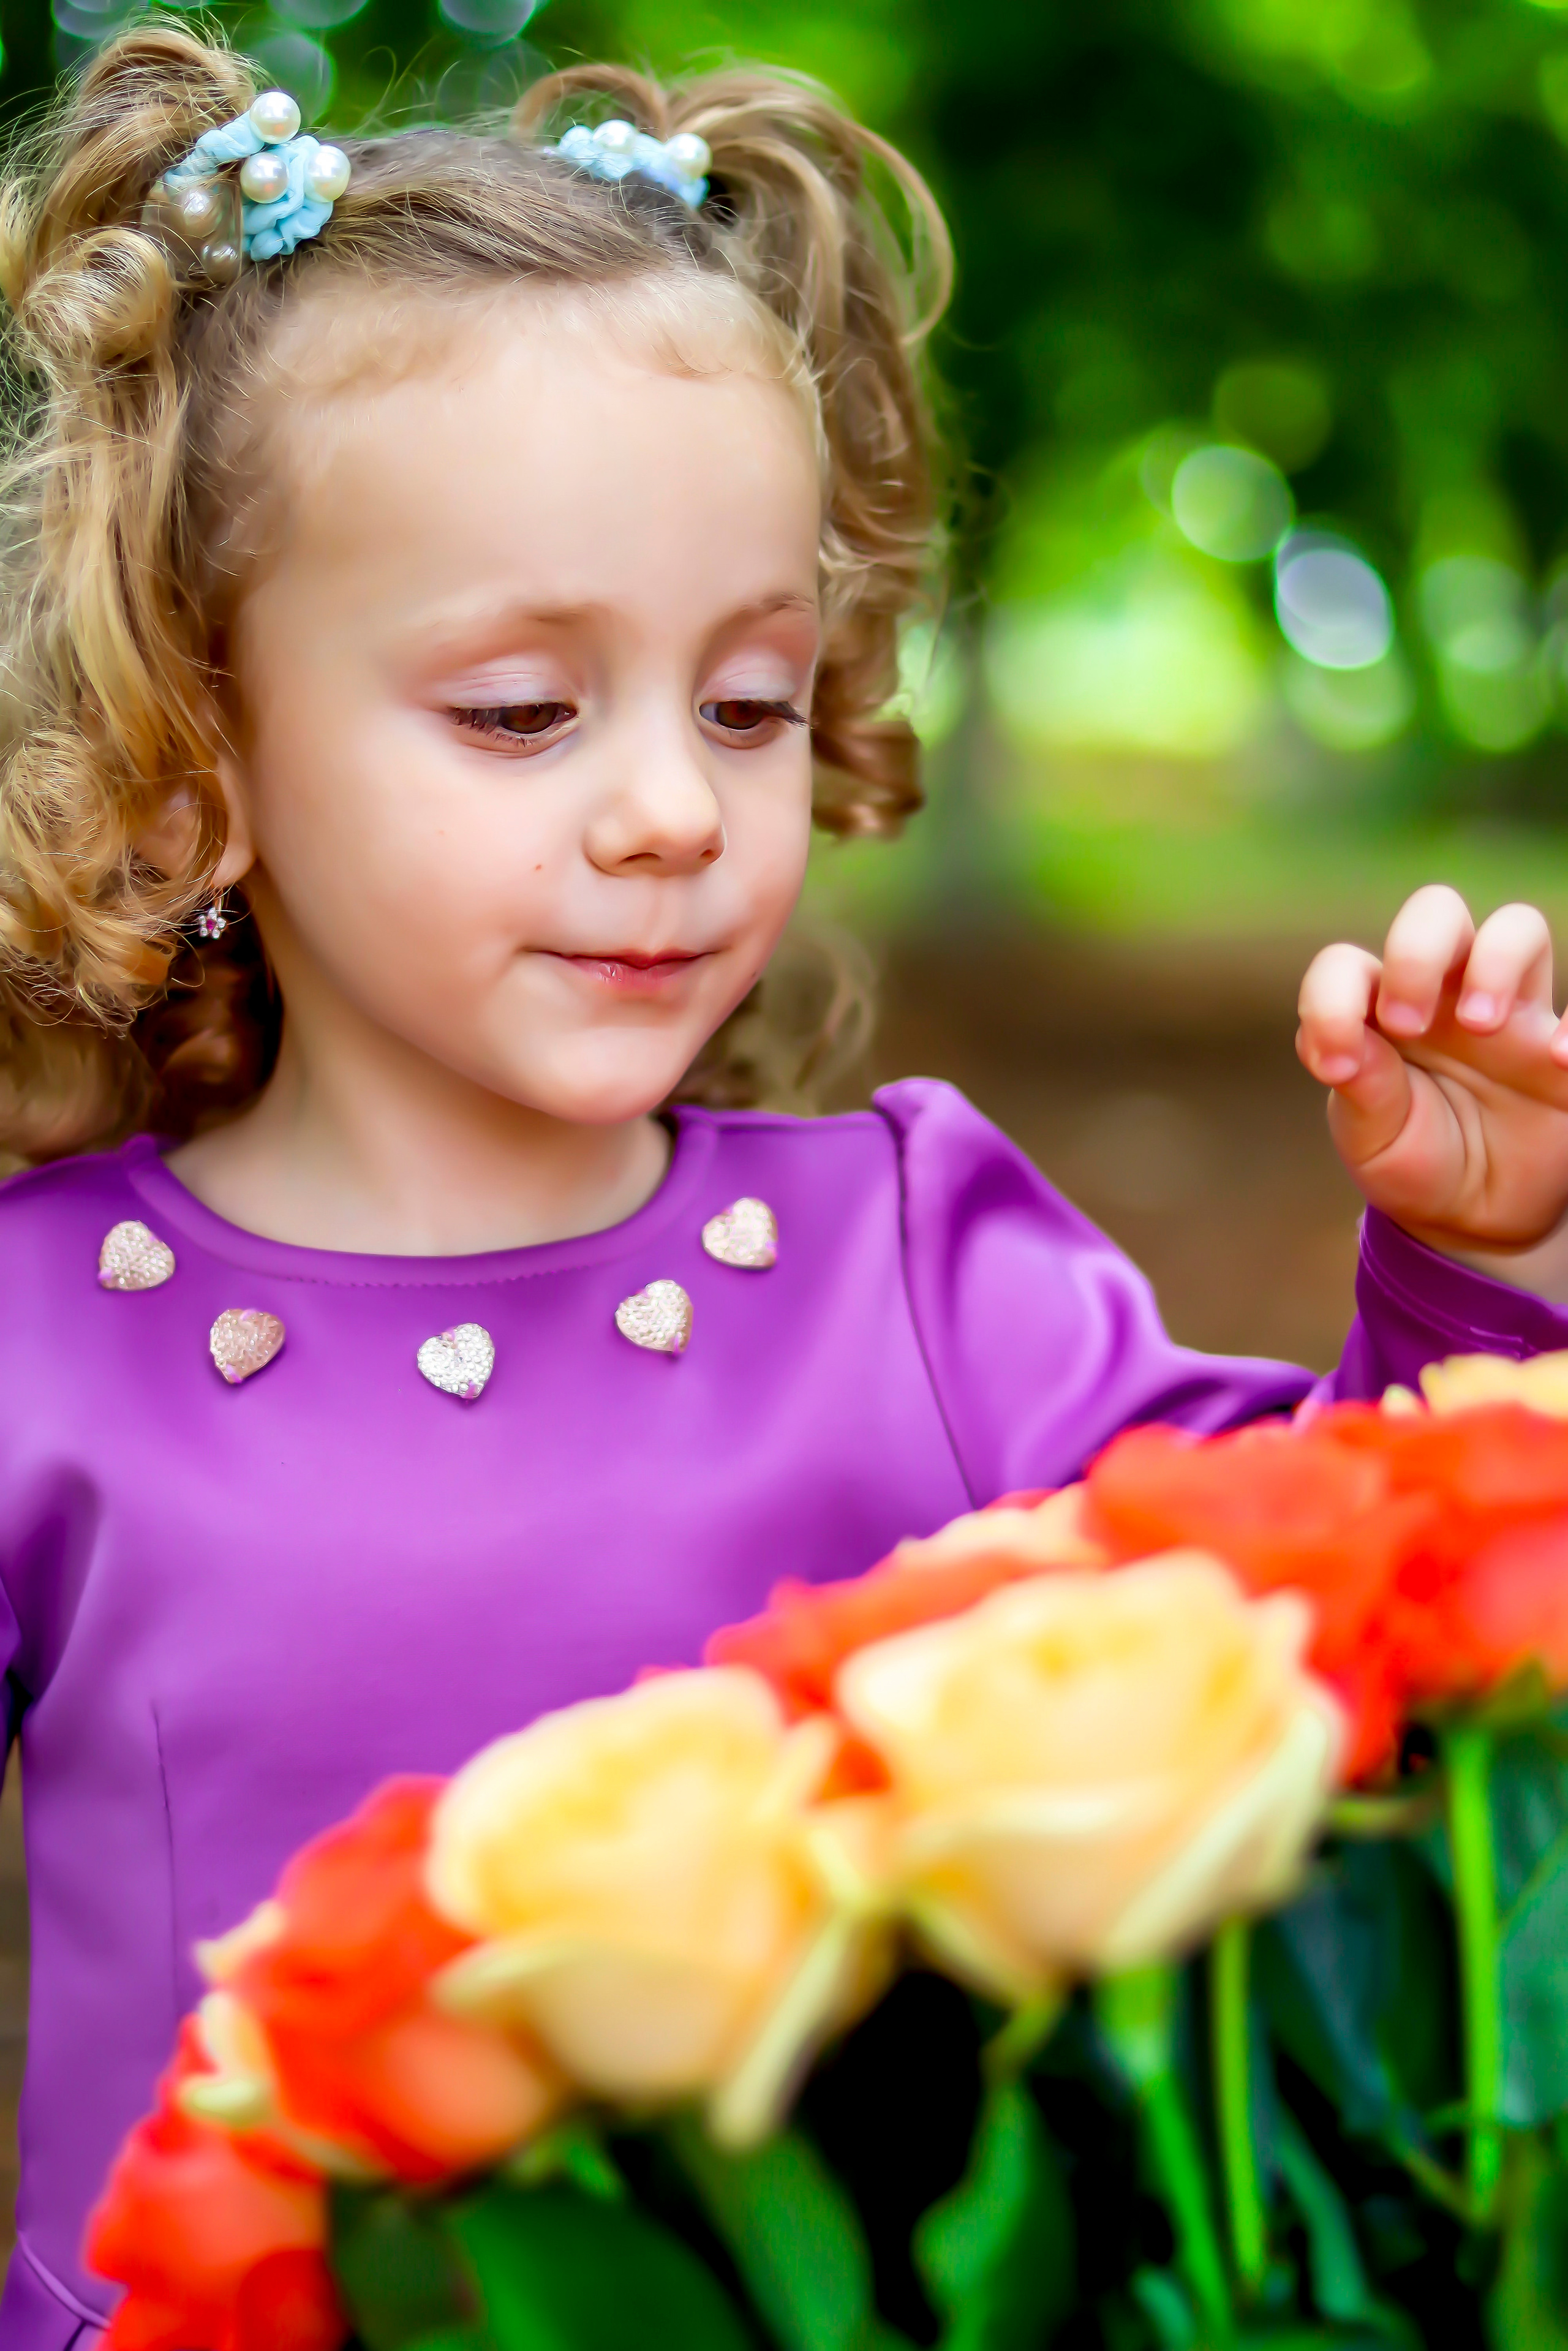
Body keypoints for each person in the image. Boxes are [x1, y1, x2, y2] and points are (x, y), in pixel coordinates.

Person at [0, 21, 1566, 2342]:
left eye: (742, 701)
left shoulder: (919, 1267)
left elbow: (1331, 1655)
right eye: (527, 711)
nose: (671, 807)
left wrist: (1475, 1267)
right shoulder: (42, 1333)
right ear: (199, 751)